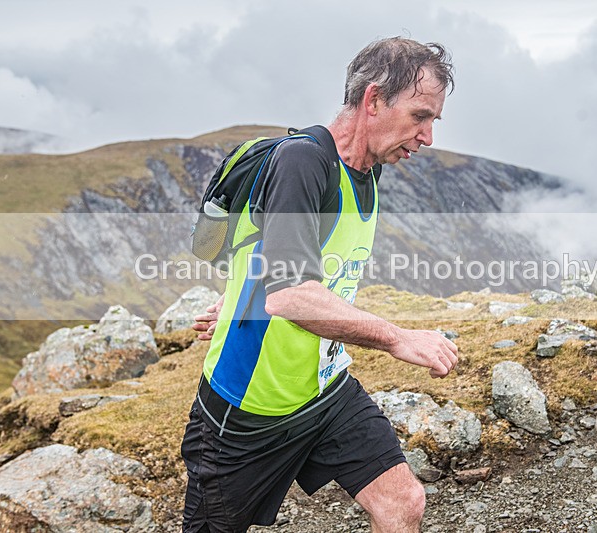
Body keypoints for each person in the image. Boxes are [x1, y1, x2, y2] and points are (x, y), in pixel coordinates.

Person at [181, 37, 456, 533]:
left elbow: (272, 250)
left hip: (325, 392)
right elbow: (290, 293)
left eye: (434, 120)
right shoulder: (303, 162)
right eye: (420, 116)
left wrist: (235, 298)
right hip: (248, 409)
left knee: (402, 502)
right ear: (373, 100)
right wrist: (398, 337)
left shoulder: (366, 171)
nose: (428, 136)